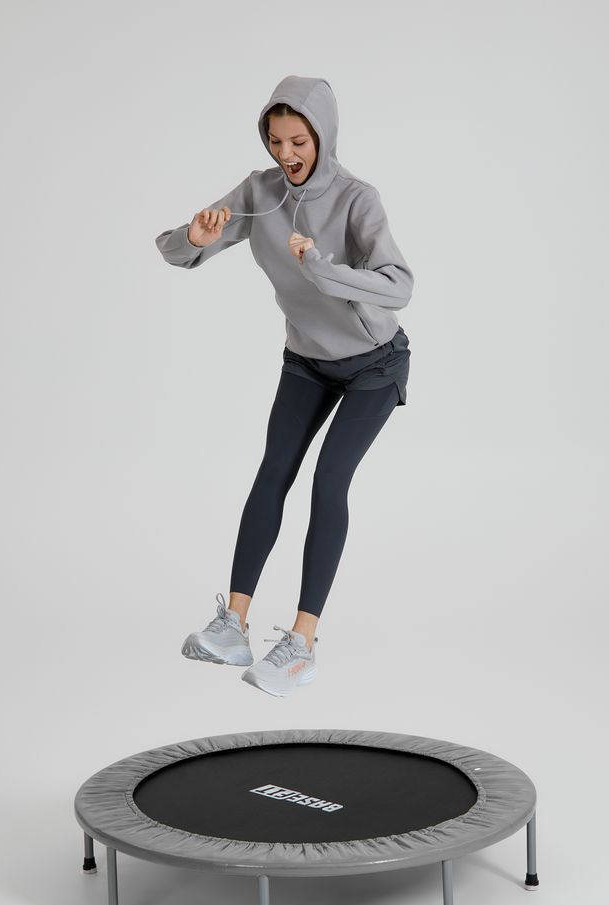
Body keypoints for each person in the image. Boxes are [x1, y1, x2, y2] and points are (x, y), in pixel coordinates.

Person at [155, 75, 414, 698]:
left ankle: (301, 644)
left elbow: (399, 286)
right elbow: (172, 248)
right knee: (273, 473)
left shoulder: (357, 198)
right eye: (276, 141)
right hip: (306, 361)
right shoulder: (260, 191)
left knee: (328, 482)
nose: (287, 153)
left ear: (323, 135)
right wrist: (195, 239)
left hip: (374, 365)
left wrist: (323, 270)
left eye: (299, 140)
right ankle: (233, 626)